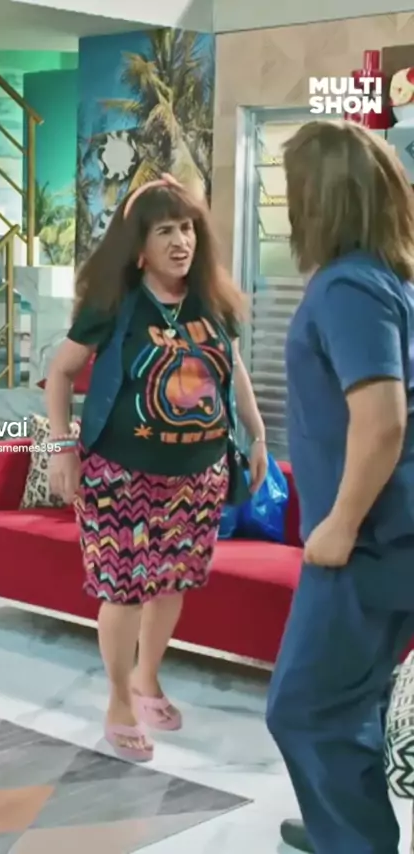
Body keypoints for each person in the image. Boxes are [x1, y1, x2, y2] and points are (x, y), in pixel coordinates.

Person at [46, 175, 267, 763]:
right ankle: (119, 700)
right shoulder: (114, 304)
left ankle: (147, 679)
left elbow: (235, 369)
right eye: (165, 230)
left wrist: (258, 434)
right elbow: (60, 373)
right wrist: (61, 447)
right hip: (120, 476)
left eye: (187, 228)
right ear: (139, 246)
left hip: (199, 475)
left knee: (171, 583)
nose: (180, 241)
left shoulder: (211, 301)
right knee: (123, 590)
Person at [266, 120, 414, 854]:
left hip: (368, 542)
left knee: (305, 710)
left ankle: (353, 839)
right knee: (352, 697)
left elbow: (381, 420)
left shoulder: (348, 285)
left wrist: (341, 522)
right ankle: (341, 823)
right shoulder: (387, 280)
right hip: (392, 534)